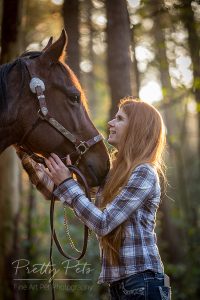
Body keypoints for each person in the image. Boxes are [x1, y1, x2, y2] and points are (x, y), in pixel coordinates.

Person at [17, 98, 171, 300]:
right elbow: (58, 192)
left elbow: (103, 222)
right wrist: (25, 150)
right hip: (122, 286)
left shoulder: (144, 173)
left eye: (119, 119)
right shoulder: (113, 176)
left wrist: (66, 184)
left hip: (143, 282)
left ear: (136, 128)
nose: (110, 123)